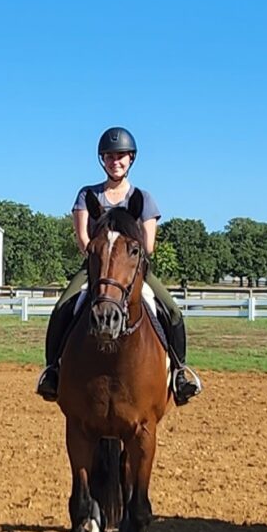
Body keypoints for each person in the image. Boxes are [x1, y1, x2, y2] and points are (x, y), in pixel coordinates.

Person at [35, 126, 202, 406]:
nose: (116, 161)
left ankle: (180, 372)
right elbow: (84, 240)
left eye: (121, 156)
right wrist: (102, 256)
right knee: (63, 307)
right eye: (110, 156)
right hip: (96, 267)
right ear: (103, 160)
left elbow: (148, 246)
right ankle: (52, 371)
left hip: (134, 271)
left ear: (131, 159)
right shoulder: (88, 195)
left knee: (171, 310)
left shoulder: (143, 199)